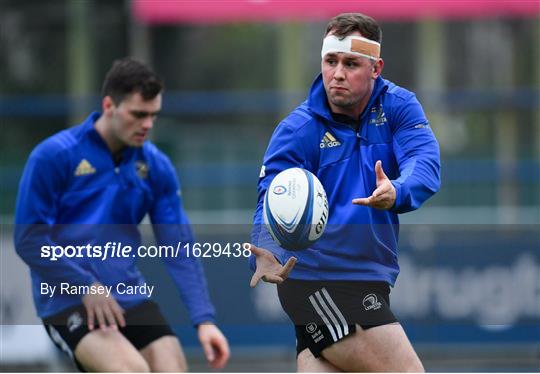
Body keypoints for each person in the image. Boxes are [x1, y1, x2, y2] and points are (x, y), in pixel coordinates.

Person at [249, 13, 440, 372]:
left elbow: (425, 163)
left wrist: (398, 190)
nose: (337, 73)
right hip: (320, 281)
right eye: (330, 61)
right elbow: (269, 197)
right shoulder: (298, 129)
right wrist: (267, 249)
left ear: (375, 68)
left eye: (351, 64)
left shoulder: (399, 106)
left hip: (368, 279)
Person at [14, 57, 229, 372]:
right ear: (108, 105)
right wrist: (84, 285)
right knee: (131, 370)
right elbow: (29, 239)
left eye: (154, 115)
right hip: (67, 301)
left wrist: (204, 320)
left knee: (173, 368)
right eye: (139, 114)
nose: (147, 125)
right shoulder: (53, 156)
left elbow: (179, 249)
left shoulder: (156, 167)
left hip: (127, 296)